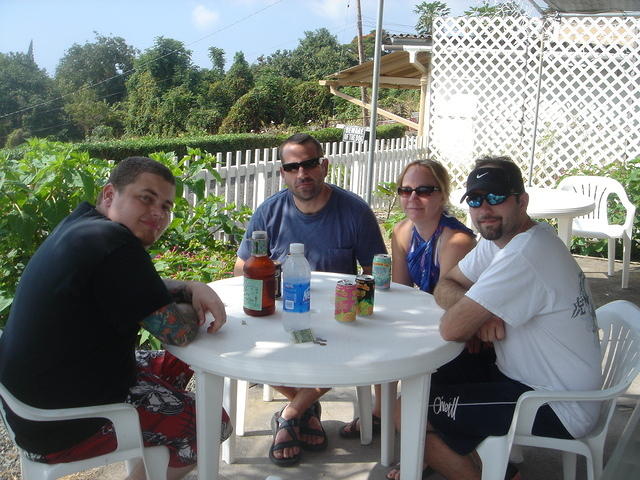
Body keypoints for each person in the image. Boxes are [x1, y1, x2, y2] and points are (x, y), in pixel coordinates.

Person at [0, 157, 231, 480]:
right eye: (146, 198)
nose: (158, 214)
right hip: (61, 425)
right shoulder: (117, 244)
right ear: (110, 195)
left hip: (28, 406)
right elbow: (178, 334)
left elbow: (137, 288)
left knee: (175, 367)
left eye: (166, 206)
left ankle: (153, 460)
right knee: (211, 423)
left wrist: (190, 286)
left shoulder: (83, 226)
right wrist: (193, 305)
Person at [386, 157, 602, 480]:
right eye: (475, 200)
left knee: (409, 412)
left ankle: (485, 472)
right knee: (429, 379)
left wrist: (471, 313)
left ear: (522, 201)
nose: (485, 208)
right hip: (523, 377)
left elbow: (450, 328)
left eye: (497, 197)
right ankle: (496, 468)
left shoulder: (527, 253)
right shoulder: (501, 241)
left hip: (554, 403)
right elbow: (446, 286)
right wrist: (477, 311)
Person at [234, 133, 387, 466]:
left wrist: (359, 310)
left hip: (336, 320)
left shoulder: (355, 212)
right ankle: (306, 407)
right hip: (280, 314)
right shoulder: (269, 212)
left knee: (353, 350)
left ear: (324, 166)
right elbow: (240, 267)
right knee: (242, 347)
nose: (302, 173)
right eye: (292, 167)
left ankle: (291, 412)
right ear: (283, 173)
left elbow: (372, 271)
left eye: (309, 163)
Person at [339, 159, 476, 439]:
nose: (413, 197)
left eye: (424, 190)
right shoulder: (402, 231)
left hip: (459, 327)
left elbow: (447, 300)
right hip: (425, 316)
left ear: (442, 195)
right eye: (405, 190)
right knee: (377, 334)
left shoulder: (456, 241)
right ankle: (381, 411)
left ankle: (423, 444)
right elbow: (400, 290)